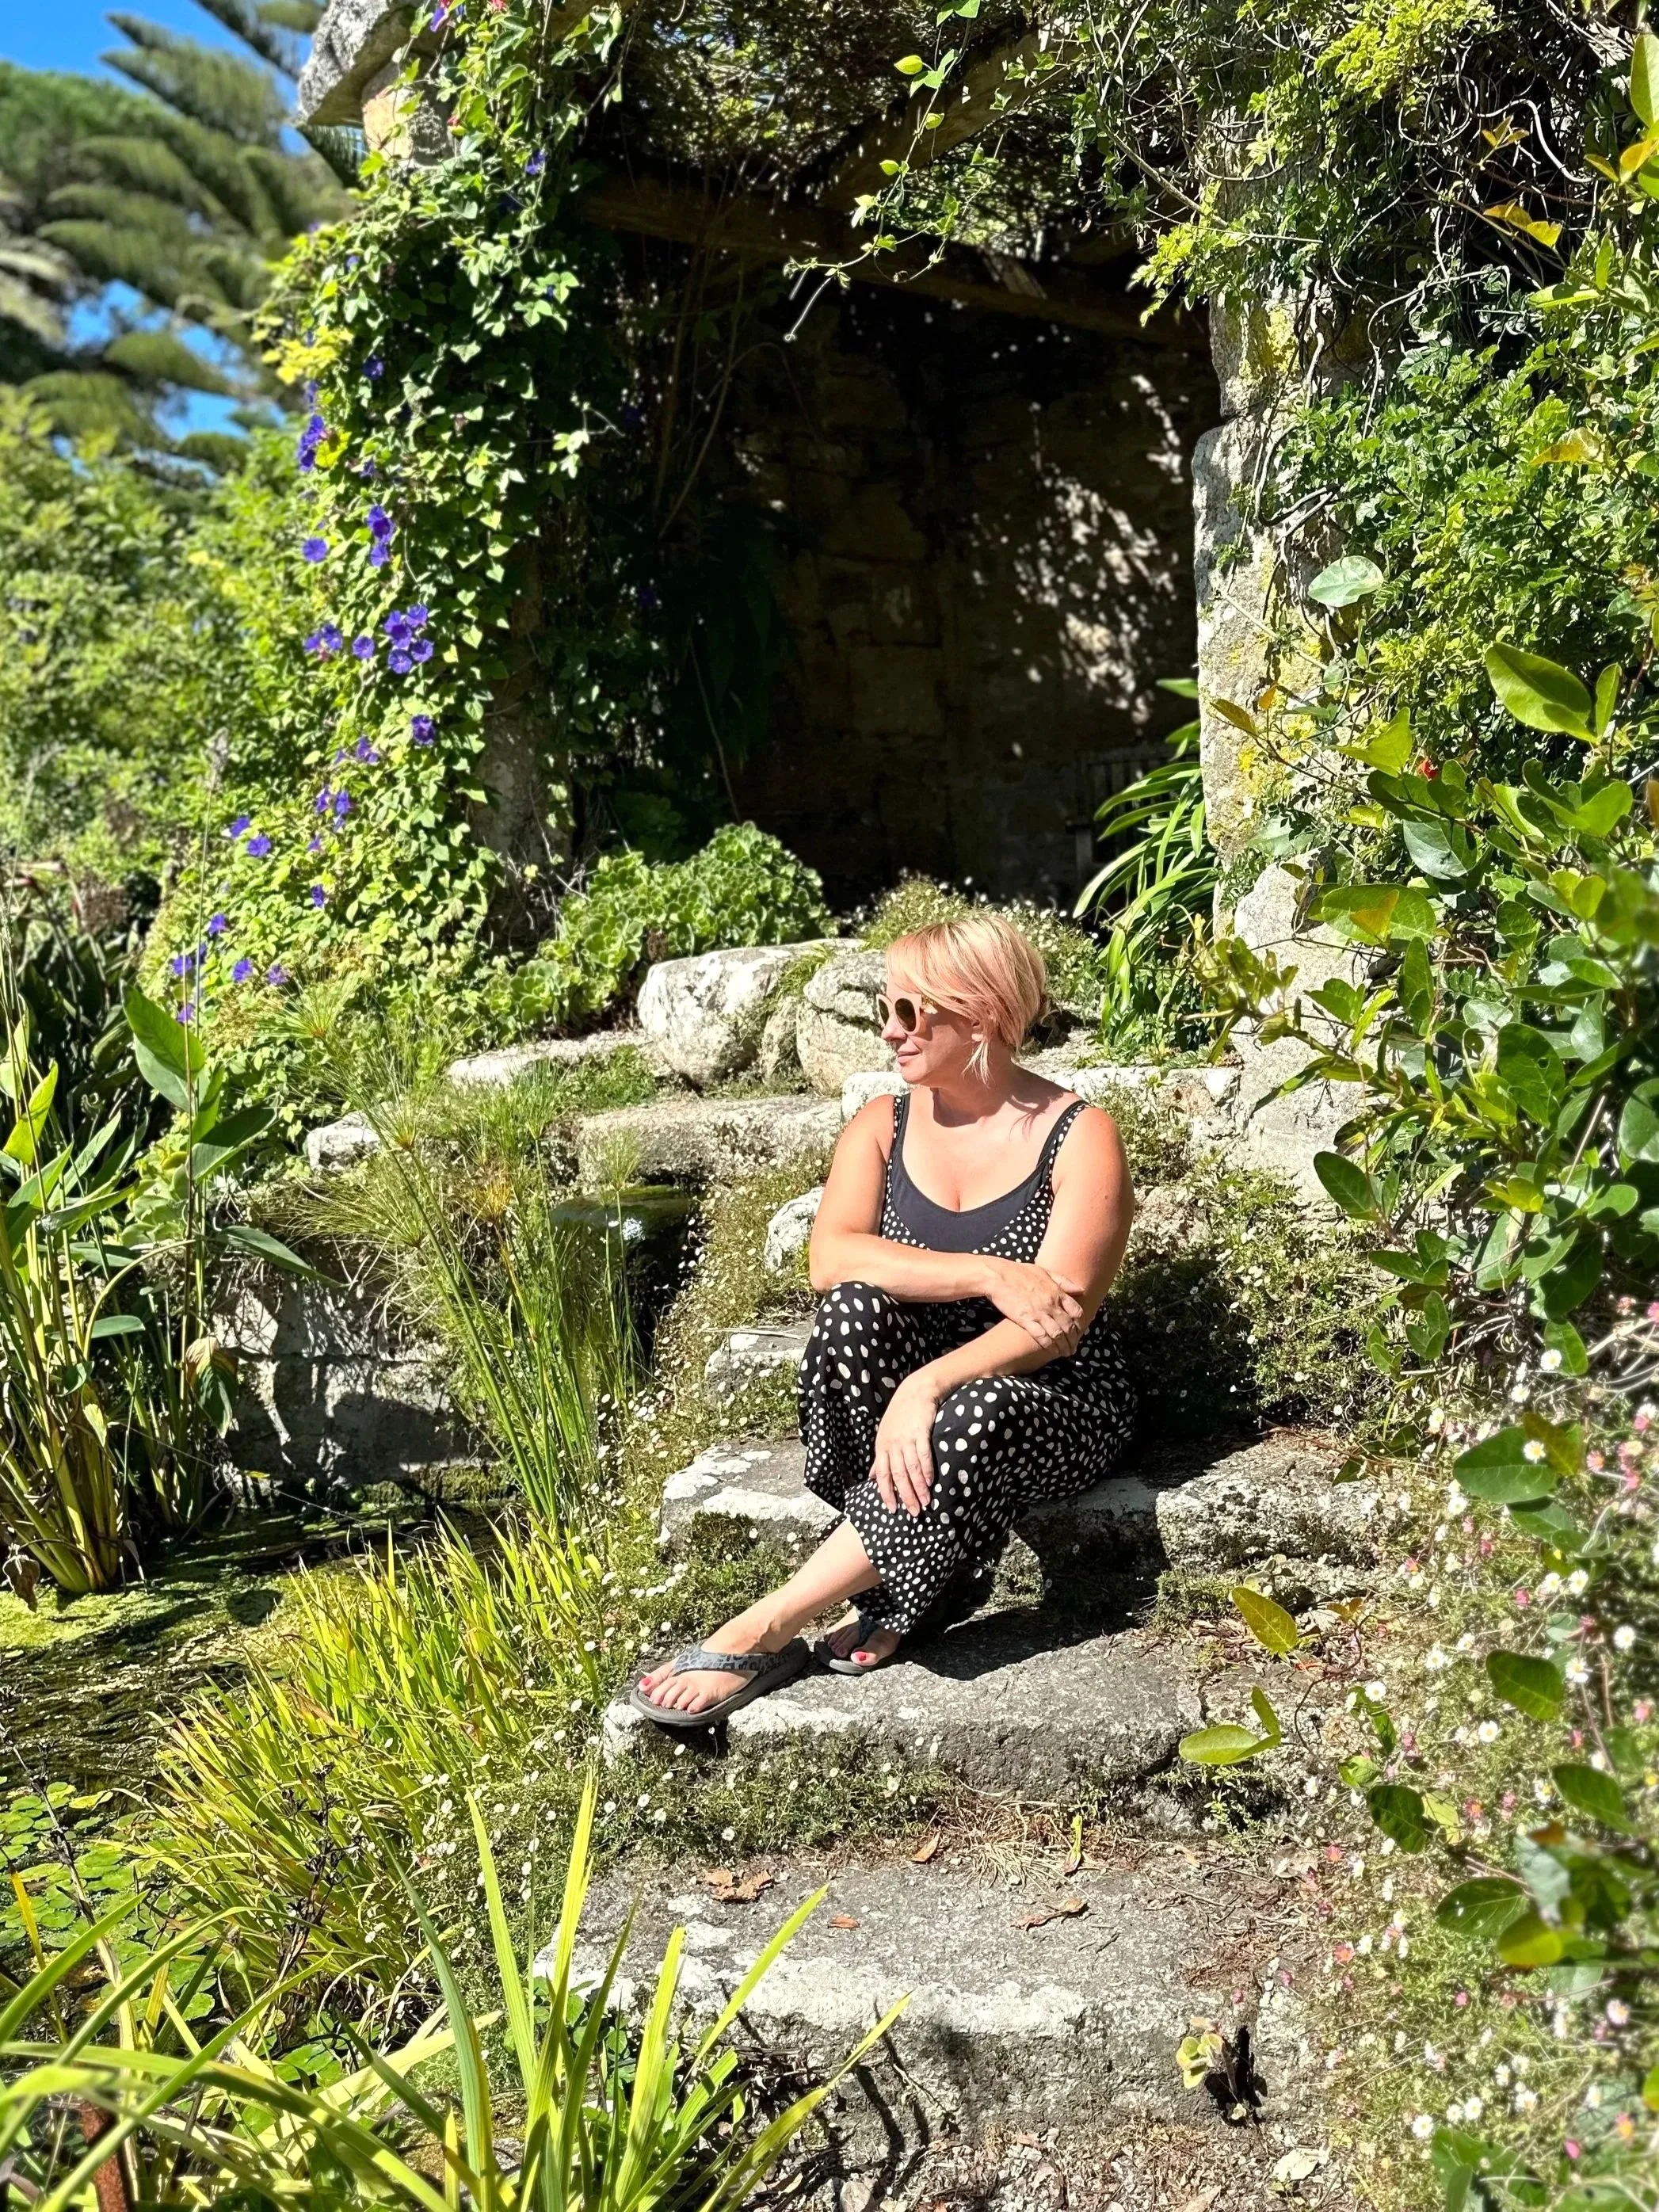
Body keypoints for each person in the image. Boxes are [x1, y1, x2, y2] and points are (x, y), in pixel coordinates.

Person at [632, 912, 1137, 1726]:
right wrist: (988, 1271)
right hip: (916, 1396)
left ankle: (768, 1622)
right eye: (883, 1008)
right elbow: (831, 1259)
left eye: (908, 1012)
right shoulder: (881, 1125)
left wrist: (929, 1386)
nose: (887, 1032)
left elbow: (1060, 1320)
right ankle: (928, 1569)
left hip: (1053, 1393)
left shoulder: (1079, 1136)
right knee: (851, 1312)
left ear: (978, 1013)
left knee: (971, 1407)